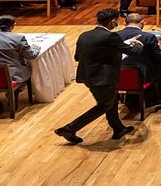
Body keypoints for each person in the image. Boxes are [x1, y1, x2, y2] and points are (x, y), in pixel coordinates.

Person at [55, 8, 143, 144]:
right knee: (104, 105)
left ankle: (118, 129)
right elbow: (132, 51)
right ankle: (69, 128)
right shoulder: (110, 36)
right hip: (103, 78)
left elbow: (78, 57)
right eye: (117, 21)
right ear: (113, 21)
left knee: (111, 101)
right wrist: (138, 44)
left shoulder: (84, 35)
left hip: (88, 76)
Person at [117, 13, 161, 108]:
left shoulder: (115, 36)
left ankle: (127, 99)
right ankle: (152, 99)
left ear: (124, 23)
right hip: (142, 75)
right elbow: (158, 57)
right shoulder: (148, 37)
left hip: (118, 74)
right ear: (142, 23)